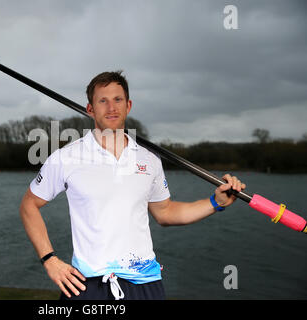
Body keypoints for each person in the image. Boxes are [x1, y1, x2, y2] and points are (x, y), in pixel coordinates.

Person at [19, 71, 246, 300]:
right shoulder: (66, 158)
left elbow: (165, 213)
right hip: (88, 285)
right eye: (103, 101)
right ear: (90, 109)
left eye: (117, 100)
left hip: (145, 284)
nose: (111, 108)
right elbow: (29, 205)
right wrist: (50, 260)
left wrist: (215, 202)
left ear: (128, 105)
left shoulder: (149, 160)